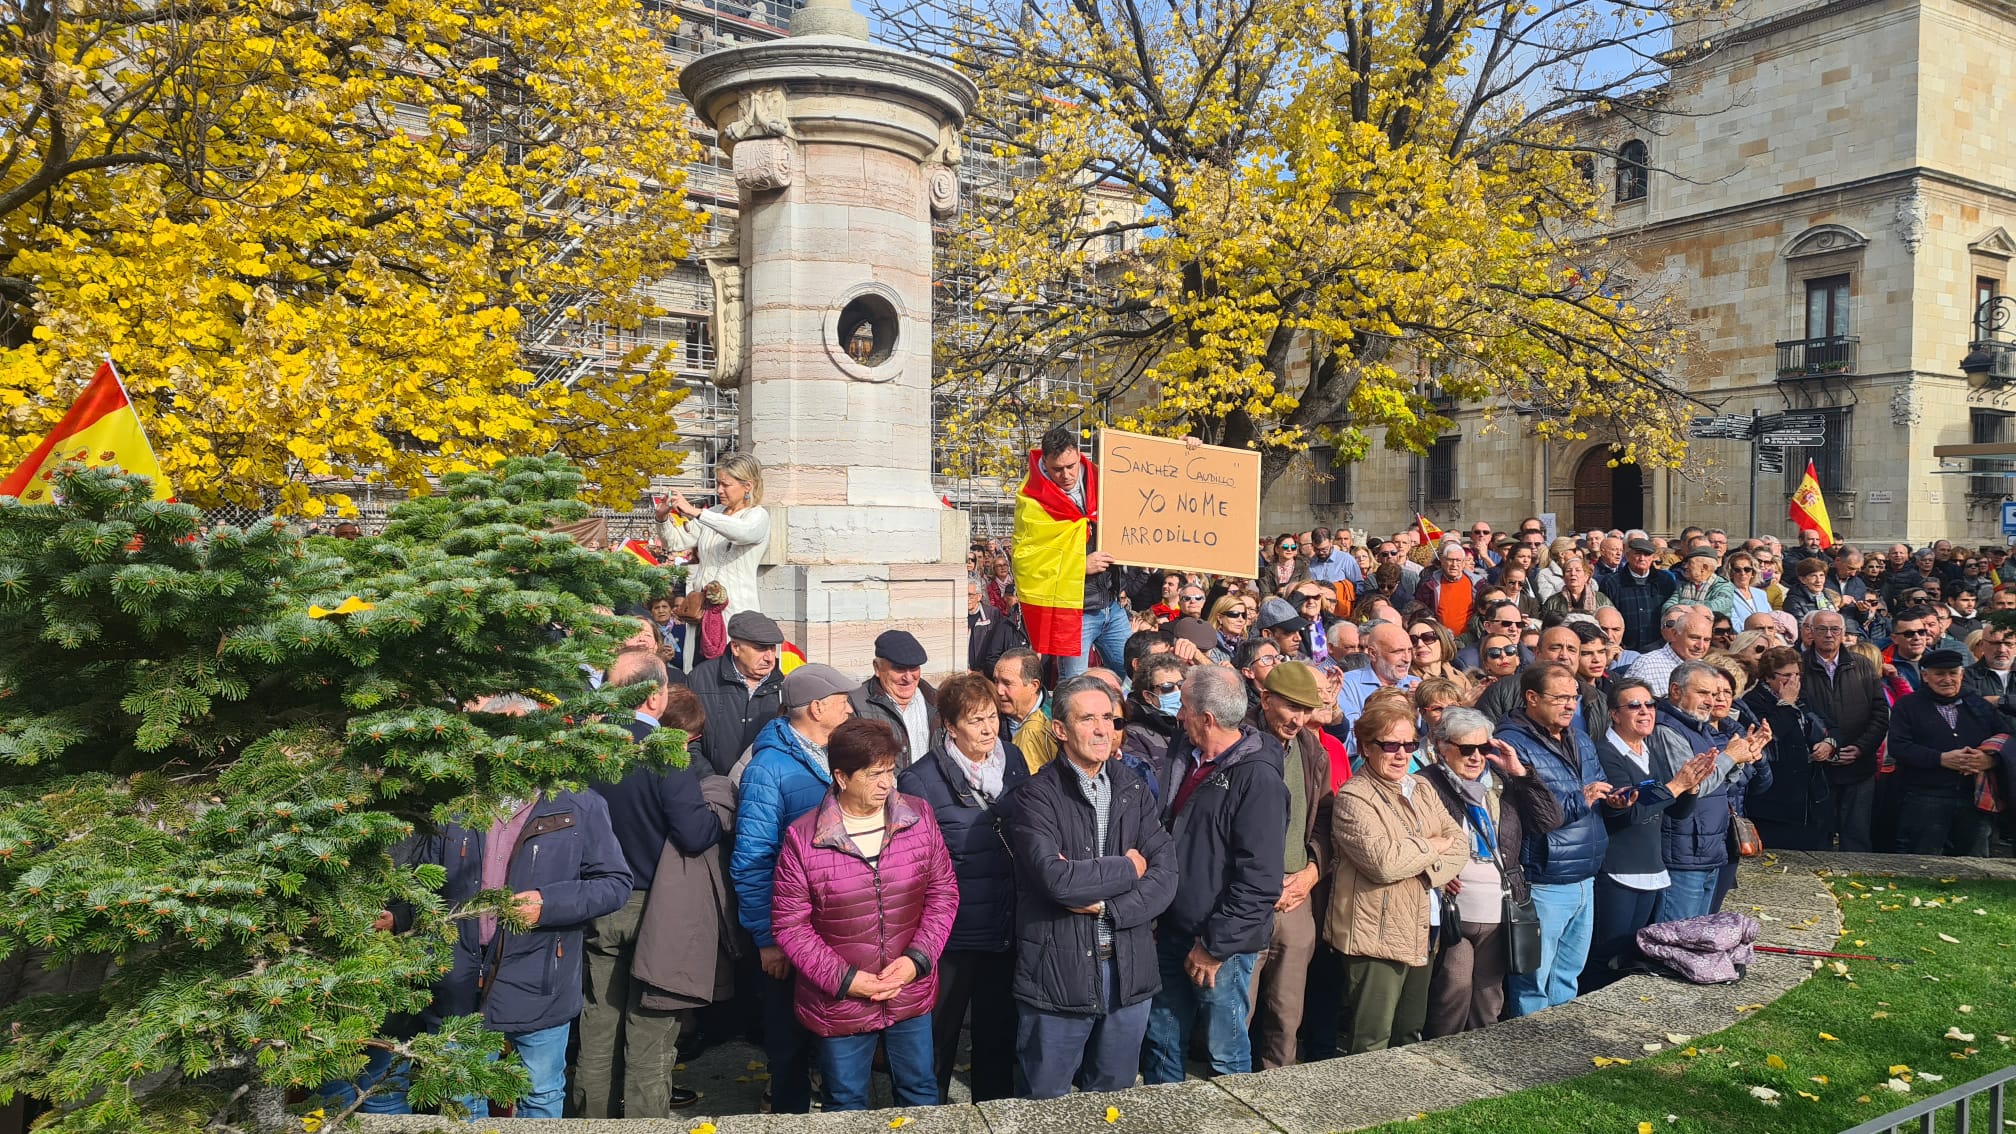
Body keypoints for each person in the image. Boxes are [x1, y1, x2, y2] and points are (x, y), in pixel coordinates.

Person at [410, 783, 631, 1117]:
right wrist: (400, 917)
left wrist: (548, 903)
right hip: (455, 975)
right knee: (461, 1094)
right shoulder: (455, 799)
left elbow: (614, 883)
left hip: (539, 974)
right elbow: (420, 882)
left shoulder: (578, 803)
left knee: (540, 1092)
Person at [771, 719, 959, 1111]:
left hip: (909, 989)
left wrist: (916, 961)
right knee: (845, 1100)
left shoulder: (918, 817)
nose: (887, 783)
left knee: (920, 1092)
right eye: (874, 774)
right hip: (840, 1000)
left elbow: (943, 893)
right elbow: (791, 925)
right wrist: (846, 980)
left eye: (890, 771)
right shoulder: (804, 838)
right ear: (840, 776)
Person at [1009, 675, 1178, 1099]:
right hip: (1058, 972)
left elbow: (1166, 873)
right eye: (1088, 719)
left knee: (1114, 1099)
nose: (1103, 729)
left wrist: (1107, 907)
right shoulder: (1035, 796)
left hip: (1128, 970)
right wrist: (1127, 867)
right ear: (1060, 729)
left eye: (1109, 718)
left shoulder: (1132, 787)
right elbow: (1056, 880)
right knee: (1045, 1101)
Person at [575, 655, 722, 1117]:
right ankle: (645, 1123)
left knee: (598, 1023)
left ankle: (590, 1123)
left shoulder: (584, 749)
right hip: (655, 905)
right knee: (651, 1029)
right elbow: (694, 834)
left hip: (597, 901)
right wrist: (717, 811)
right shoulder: (663, 751)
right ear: (655, 696)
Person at [1139, 666, 1288, 1082]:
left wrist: (1214, 946)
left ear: (1206, 718)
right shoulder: (1184, 755)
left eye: (1184, 707)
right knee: (1163, 1040)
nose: (1178, 715)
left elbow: (1259, 879)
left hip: (1221, 944)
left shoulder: (1257, 778)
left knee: (1225, 1052)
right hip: (1172, 928)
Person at [732, 662, 859, 1114]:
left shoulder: (839, 751)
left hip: (840, 926)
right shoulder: (769, 767)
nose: (850, 707)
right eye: (842, 701)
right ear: (817, 708)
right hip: (791, 933)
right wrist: (767, 939)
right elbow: (752, 859)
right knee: (787, 1042)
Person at [897, 673, 1031, 1103]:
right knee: (940, 1035)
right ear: (950, 727)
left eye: (992, 717)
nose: (989, 729)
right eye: (976, 721)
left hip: (1005, 922)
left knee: (997, 1034)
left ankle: (994, 1112)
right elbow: (915, 862)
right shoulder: (920, 780)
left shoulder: (1012, 759)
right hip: (952, 933)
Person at [1325, 699, 1468, 1053]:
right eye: (1390, 745)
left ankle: (1406, 1107)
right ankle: (1363, 1108)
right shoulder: (1354, 797)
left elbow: (1460, 845)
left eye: (1409, 744)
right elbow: (1383, 863)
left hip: (1423, 924)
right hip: (1376, 933)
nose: (1401, 754)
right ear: (1366, 747)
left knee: (1409, 1032)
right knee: (1371, 1039)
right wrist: (1434, 845)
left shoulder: (1421, 786)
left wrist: (1421, 861)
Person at [1422, 706, 1563, 1035]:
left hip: (1500, 907)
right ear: (1442, 747)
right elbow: (1416, 838)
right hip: (1454, 909)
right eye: (1466, 749)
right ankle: (1442, 1061)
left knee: (1489, 996)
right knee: (1452, 990)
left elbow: (1548, 820)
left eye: (1483, 748)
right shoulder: (1426, 784)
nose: (1475, 758)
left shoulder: (1500, 783)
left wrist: (1521, 773)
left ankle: (1483, 1065)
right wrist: (1439, 871)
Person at [1497, 665, 1612, 1016]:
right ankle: (1528, 1051)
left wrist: (1614, 797)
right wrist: (1583, 799)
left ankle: (1560, 1047)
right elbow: (1535, 813)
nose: (1570, 706)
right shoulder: (1512, 744)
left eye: (1574, 698)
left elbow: (1597, 784)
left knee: (1567, 975)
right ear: (1531, 698)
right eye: (1560, 698)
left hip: (1585, 874)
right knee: (1533, 980)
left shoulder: (1578, 737)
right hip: (1544, 875)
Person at [1589, 680, 1714, 988]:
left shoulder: (1649, 749)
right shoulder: (1606, 754)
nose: (1645, 712)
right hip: (1618, 870)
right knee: (1606, 956)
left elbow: (1675, 811)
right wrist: (1676, 785)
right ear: (1615, 715)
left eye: (1649, 705)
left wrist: (1691, 787)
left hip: (1651, 869)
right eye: (1634, 706)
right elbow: (1628, 810)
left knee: (1632, 956)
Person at [1246, 662, 1334, 1068]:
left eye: (1306, 709)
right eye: (1290, 707)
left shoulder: (1314, 751)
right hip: (1246, 898)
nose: (1299, 719)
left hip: (1297, 896)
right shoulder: (1240, 743)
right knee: (1235, 1013)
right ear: (1265, 699)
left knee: (1287, 1013)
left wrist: (1313, 869)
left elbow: (1325, 819)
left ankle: (1280, 1094)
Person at [1653, 662, 1769, 921]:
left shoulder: (1698, 726)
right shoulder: (1667, 729)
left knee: (1698, 937)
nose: (1711, 701)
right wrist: (1730, 756)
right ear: (1675, 691)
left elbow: (1718, 785)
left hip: (1707, 849)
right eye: (1703, 693)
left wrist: (1742, 757)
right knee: (1678, 939)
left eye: (1716, 694)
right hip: (1682, 853)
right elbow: (1692, 786)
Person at [1887, 649, 1999, 857]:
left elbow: (2006, 739)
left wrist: (1989, 760)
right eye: (1939, 673)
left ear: (1962, 674)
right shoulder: (1908, 706)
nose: (1947, 679)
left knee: (1973, 861)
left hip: (1972, 796)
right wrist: (1941, 759)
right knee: (1923, 859)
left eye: (1952, 673)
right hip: (1925, 796)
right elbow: (1899, 746)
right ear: (1925, 676)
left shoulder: (1978, 705)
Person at [654, 452, 771, 641]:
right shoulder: (714, 512)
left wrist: (697, 512)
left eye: (726, 485)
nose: (719, 490)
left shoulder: (758, 516)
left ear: (747, 486)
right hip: (700, 611)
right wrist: (662, 518)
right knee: (700, 668)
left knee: (729, 663)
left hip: (734, 611)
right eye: (718, 483)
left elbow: (741, 532)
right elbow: (675, 542)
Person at [1800, 609, 1889, 852]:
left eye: (1835, 629)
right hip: (1818, 768)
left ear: (1842, 633)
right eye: (1822, 629)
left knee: (1857, 835)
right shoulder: (1799, 667)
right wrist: (1822, 747)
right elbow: (1797, 713)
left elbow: (1880, 714)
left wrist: (1860, 748)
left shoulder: (1862, 665)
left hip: (1859, 766)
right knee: (1818, 836)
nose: (1829, 635)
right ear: (1810, 633)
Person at [1741, 647, 1835, 851]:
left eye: (1796, 674)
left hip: (1809, 796)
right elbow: (1769, 735)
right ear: (1768, 677)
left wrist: (1830, 743)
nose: (1793, 681)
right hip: (1775, 800)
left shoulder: (1804, 696)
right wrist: (1786, 704)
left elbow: (1830, 725)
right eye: (1786, 676)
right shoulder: (1753, 701)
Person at [689, 610, 786, 777]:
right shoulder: (700, 678)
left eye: (772, 648)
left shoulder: (786, 685)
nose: (770, 658)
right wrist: (711, 781)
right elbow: (688, 739)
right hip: (711, 790)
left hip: (766, 790)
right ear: (736, 648)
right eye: (760, 648)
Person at [848, 629, 940, 767]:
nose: (908, 678)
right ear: (877, 668)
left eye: (914, 668)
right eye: (899, 668)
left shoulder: (936, 701)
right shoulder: (853, 704)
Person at [1120, 652, 1186, 801]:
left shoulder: (1190, 724)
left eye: (1181, 685)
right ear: (1148, 696)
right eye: (1167, 688)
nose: (1177, 692)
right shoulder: (1133, 734)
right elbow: (1147, 785)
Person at [1600, 536, 1677, 653]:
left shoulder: (1665, 580)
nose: (1642, 558)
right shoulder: (1612, 582)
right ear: (1628, 555)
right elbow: (1606, 616)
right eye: (1637, 554)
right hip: (1623, 650)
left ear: (1652, 557)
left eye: (1646, 555)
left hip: (1659, 649)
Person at [992, 647, 1057, 773]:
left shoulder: (1058, 717)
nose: (998, 691)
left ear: (1033, 686)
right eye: (996, 681)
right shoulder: (988, 719)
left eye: (1007, 683)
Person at [1628, 607, 1713, 699]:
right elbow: (1628, 704)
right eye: (1694, 638)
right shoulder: (1646, 665)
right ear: (1675, 634)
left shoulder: (1706, 669)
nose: (1700, 646)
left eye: (1707, 640)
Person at [1415, 541, 1476, 634]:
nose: (1454, 564)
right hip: (1439, 638)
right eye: (1450, 560)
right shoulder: (1429, 585)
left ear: (1463, 562)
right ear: (1442, 561)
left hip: (1469, 641)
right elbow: (1420, 613)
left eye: (1458, 560)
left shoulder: (1477, 584)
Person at [1542, 554, 1612, 617]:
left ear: (1586, 576)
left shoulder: (1601, 599)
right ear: (1563, 577)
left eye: (1578, 570)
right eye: (1568, 571)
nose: (1573, 573)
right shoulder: (1553, 601)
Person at [1963, 623, 2016, 703]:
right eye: (1995, 644)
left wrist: (1998, 701)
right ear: (1982, 645)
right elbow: (1973, 706)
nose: (2002, 650)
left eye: (2009, 644)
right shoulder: (1966, 676)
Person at [1408, 618, 1462, 684]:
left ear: (1443, 641)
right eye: (1413, 640)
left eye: (1427, 638)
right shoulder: (1404, 683)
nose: (1420, 644)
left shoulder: (1459, 677)